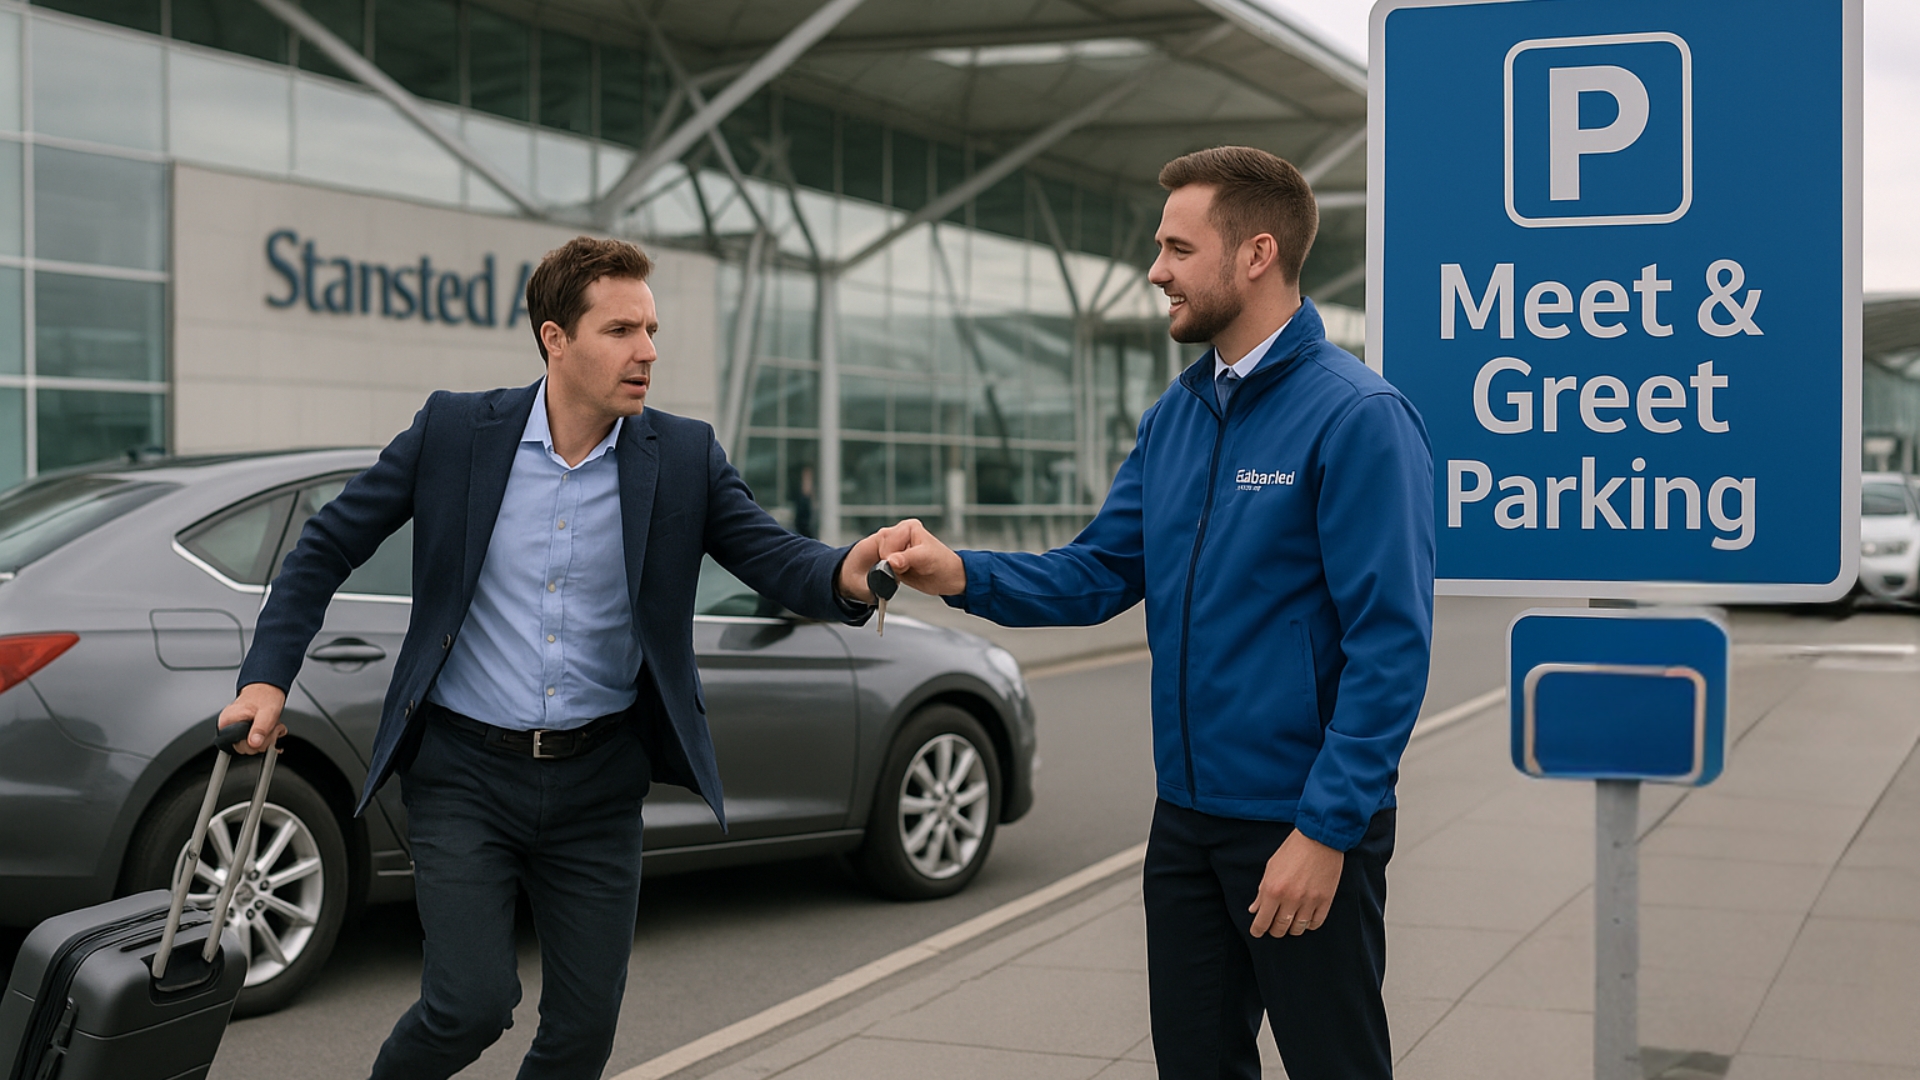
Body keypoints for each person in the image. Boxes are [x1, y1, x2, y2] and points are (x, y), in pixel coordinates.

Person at [215, 236, 883, 1080]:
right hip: (462, 773)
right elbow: (325, 546)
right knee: (471, 1003)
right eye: (619, 330)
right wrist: (267, 677)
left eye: (651, 329)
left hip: (598, 784)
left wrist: (848, 576)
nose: (646, 351)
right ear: (554, 338)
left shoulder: (682, 456)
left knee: (581, 1035)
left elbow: (777, 558)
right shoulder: (456, 431)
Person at [871, 147, 1435, 1079]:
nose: (1155, 270)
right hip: (1187, 820)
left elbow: (1391, 648)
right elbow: (1099, 571)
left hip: (1299, 825)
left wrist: (1327, 831)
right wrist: (957, 571)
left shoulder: (1357, 416)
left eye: (1177, 247)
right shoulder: (1177, 417)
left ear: (1256, 255)